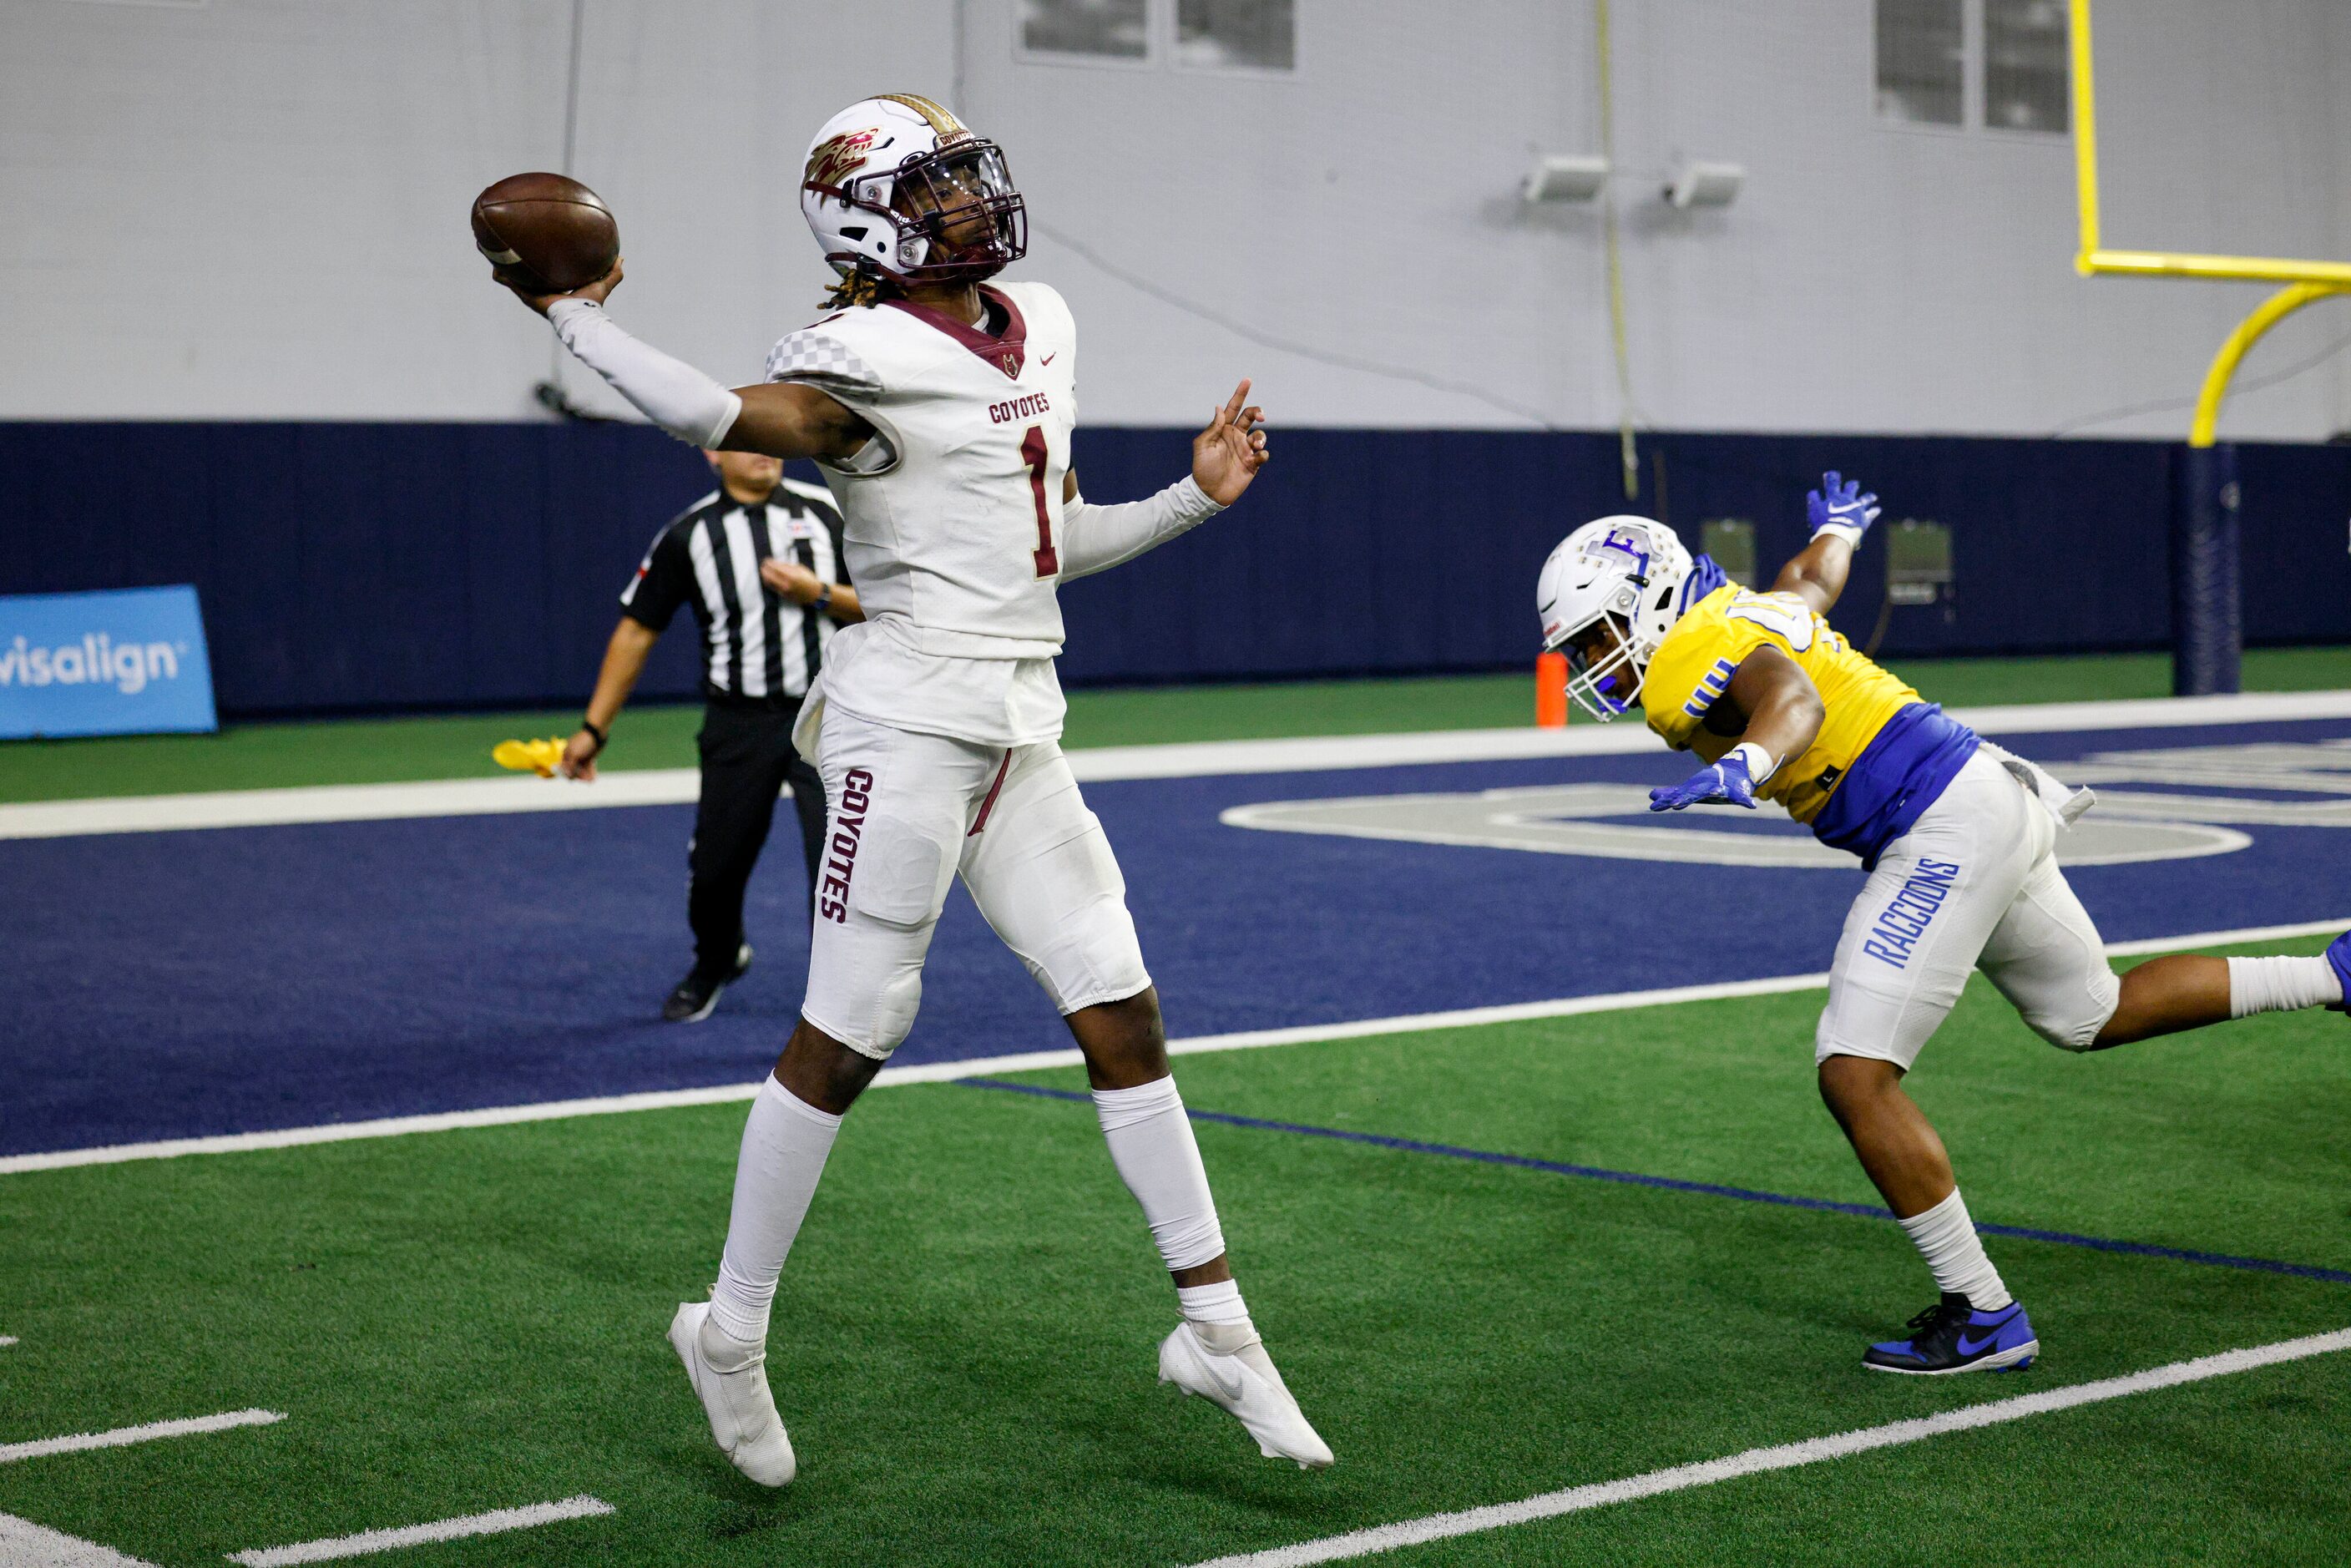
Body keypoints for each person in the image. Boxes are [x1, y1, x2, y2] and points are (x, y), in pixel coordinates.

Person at [488, 93, 1330, 1480]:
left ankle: (1217, 1327)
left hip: (1016, 722)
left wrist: (1192, 497)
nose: (968, 202)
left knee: (1121, 1008)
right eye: (933, 187)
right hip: (901, 726)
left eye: (964, 177)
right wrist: (572, 316)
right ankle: (731, 1326)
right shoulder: (856, 356)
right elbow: (714, 410)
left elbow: (1053, 546)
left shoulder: (1042, 319)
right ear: (865, 218)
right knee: (855, 1024)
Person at [1534, 473, 2349, 1375]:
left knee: (1853, 1074)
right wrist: (1839, 530)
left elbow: (1793, 703)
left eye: (1597, 635)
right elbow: (1809, 580)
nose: (1589, 664)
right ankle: (2334, 975)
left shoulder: (1688, 654)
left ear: (1645, 599)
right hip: (1984, 789)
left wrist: (1749, 761)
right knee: (2091, 1012)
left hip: (1937, 822)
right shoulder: (1731, 608)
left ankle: (1982, 1311)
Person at [560, 448, 862, 1022]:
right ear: (713, 452)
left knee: (838, 861)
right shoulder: (690, 534)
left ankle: (842, 993)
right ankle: (718, 959)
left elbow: (891, 603)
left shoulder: (829, 513)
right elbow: (637, 629)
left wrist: (818, 593)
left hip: (830, 714)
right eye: (747, 440)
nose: (765, 452)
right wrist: (593, 729)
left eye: (771, 438)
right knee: (716, 868)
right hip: (738, 722)